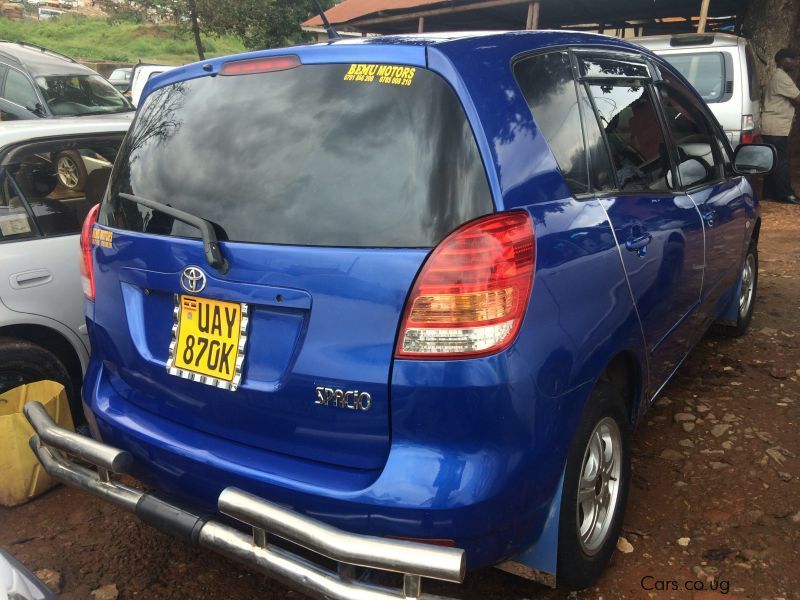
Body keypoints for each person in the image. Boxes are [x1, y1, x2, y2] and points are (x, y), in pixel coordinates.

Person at [762, 48, 800, 205]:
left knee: (774, 160)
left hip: (772, 125)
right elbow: (798, 98)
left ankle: (771, 193)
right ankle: (786, 195)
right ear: (784, 61)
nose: (797, 63)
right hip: (776, 126)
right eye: (794, 59)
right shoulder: (782, 78)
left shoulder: (779, 76)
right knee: (782, 161)